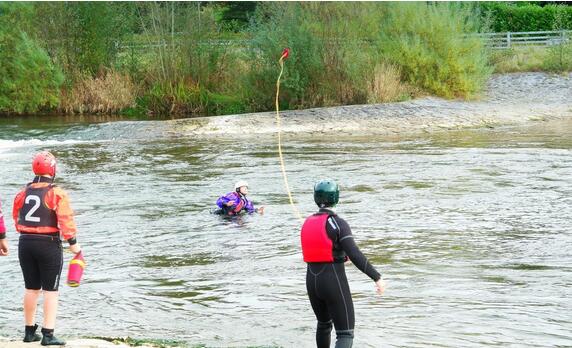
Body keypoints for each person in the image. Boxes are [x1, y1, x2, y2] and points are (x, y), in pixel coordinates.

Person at [300, 179, 386, 348]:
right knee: (345, 333)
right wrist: (377, 277)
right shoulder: (338, 223)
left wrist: (340, 256)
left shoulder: (307, 222)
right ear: (336, 197)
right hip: (333, 279)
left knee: (324, 325)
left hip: (311, 280)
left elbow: (323, 249)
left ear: (316, 198)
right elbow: (354, 253)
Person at [12, 151, 82, 346]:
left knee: (31, 288)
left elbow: (16, 217)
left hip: (25, 243)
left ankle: (29, 332)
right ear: (53, 169)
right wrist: (73, 244)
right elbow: (66, 220)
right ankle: (48, 335)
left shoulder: (22, 192)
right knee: (51, 290)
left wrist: (26, 232)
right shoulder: (56, 192)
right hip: (48, 244)